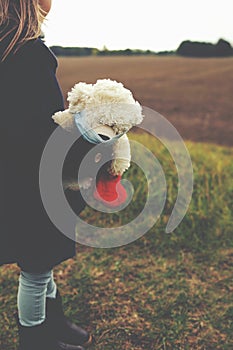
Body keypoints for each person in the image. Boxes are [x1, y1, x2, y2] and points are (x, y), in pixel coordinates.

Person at [0, 1, 93, 349]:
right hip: (30, 180)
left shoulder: (8, 45)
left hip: (9, 174)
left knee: (40, 257)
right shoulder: (28, 53)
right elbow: (42, 128)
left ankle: (55, 321)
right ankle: (35, 339)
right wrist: (86, 132)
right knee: (37, 266)